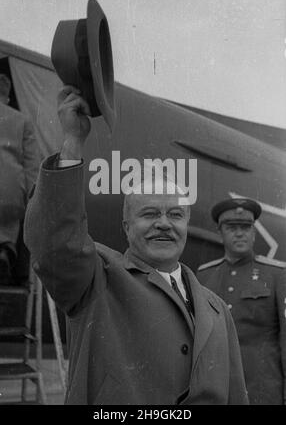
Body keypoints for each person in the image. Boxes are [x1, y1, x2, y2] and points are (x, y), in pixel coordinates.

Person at [24, 85, 248, 405]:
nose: (164, 223)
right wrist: (73, 143)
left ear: (186, 225)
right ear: (126, 228)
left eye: (175, 215)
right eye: (149, 214)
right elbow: (54, 243)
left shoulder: (215, 308)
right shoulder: (97, 280)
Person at [197, 198, 286, 405]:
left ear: (254, 233)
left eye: (246, 227)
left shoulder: (277, 274)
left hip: (263, 390)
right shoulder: (204, 276)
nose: (239, 233)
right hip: (217, 390)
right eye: (231, 228)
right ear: (220, 233)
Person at [0, 73, 39, 284]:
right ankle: (5, 250)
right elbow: (32, 166)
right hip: (10, 190)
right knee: (9, 217)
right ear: (6, 98)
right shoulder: (21, 120)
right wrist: (32, 200)